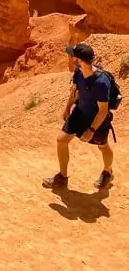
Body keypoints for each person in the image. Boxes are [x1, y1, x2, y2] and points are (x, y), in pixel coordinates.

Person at [43, 43, 114, 191]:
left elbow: (103, 110)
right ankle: (62, 178)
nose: (70, 57)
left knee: (103, 146)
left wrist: (91, 130)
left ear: (80, 60)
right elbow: (75, 92)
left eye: (73, 55)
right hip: (79, 113)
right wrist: (67, 108)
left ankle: (108, 172)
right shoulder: (78, 71)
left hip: (97, 120)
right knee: (61, 140)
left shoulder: (101, 82)